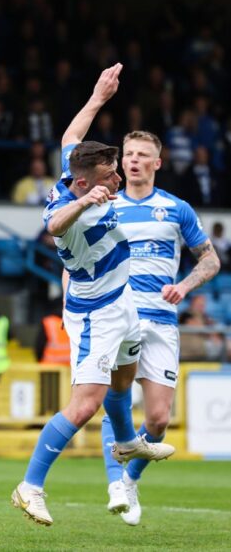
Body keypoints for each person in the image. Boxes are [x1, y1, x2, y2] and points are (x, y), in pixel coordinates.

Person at [12, 64, 174, 526]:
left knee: (124, 380)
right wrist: (85, 203)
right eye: (110, 177)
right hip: (93, 313)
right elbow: (52, 225)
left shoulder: (77, 171)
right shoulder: (75, 207)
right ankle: (30, 486)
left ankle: (125, 442)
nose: (118, 180)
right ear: (84, 185)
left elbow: (71, 134)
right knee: (86, 404)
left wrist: (99, 96)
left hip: (122, 301)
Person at [102, 130, 220, 525]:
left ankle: (130, 479)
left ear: (157, 163)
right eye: (128, 154)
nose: (133, 160)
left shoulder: (176, 208)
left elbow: (210, 260)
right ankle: (114, 484)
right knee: (115, 397)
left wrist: (184, 285)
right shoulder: (105, 207)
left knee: (157, 420)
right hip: (117, 318)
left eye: (142, 155)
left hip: (162, 321)